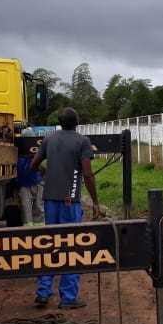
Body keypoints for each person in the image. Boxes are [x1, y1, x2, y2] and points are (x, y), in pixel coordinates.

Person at [30, 107, 100, 309]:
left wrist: (46, 175)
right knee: (71, 245)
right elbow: (86, 174)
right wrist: (95, 201)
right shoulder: (82, 141)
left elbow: (34, 164)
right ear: (77, 122)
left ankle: (43, 292)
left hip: (50, 199)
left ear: (60, 122)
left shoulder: (49, 139)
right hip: (70, 200)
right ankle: (68, 298)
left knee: (50, 243)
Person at [15, 153, 44, 226]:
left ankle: (35, 227)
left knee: (33, 207)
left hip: (34, 180)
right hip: (30, 180)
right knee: (28, 208)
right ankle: (30, 228)